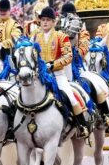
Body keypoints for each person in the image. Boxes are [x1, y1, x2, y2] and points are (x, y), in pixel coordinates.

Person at [34, 7, 89, 138]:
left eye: (48, 20)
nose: (45, 22)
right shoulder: (35, 37)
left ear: (54, 22)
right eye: (43, 20)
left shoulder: (61, 37)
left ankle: (82, 126)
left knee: (71, 97)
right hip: (40, 76)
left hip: (57, 75)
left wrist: (52, 65)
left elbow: (68, 56)